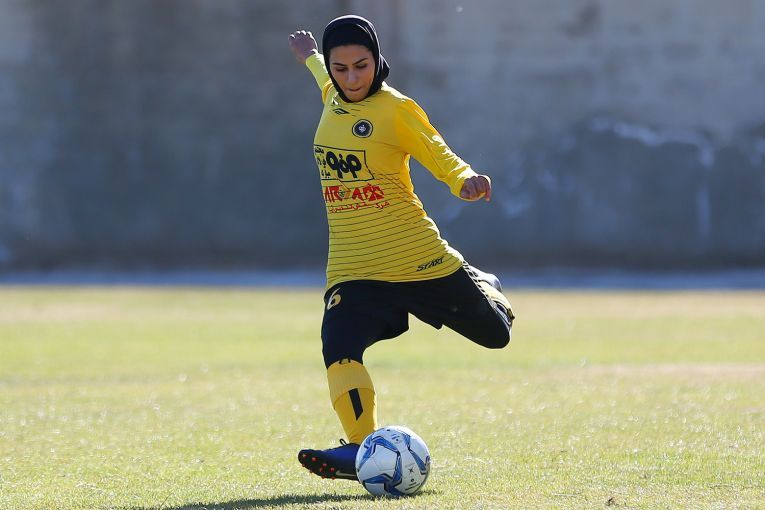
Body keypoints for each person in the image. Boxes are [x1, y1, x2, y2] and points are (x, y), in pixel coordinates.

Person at [288, 15, 514, 482]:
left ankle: (483, 284)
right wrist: (310, 58)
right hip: (354, 264)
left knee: (496, 336)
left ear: (377, 59)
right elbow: (323, 76)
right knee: (339, 347)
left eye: (362, 66)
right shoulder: (332, 95)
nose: (352, 78)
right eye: (341, 68)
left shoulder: (395, 109)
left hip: (416, 257)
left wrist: (463, 179)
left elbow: (437, 150)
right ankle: (358, 447)